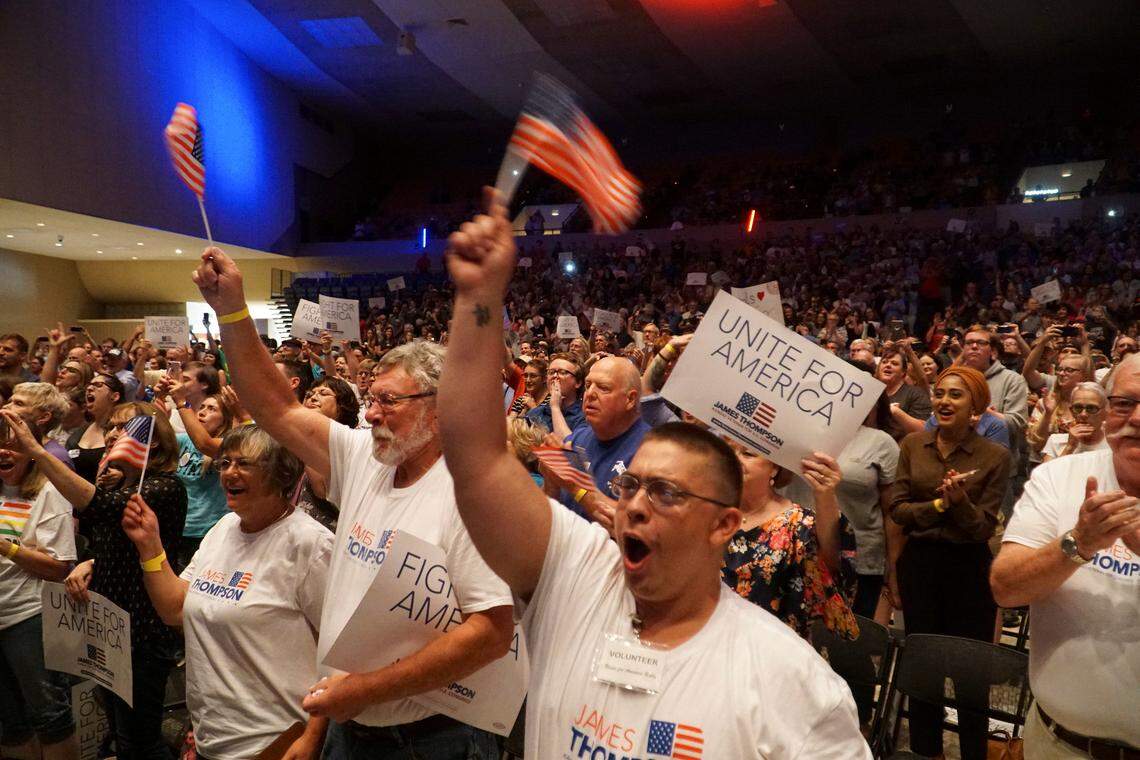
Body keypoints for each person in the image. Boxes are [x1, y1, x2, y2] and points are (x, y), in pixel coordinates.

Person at [436, 189, 869, 758]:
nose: (635, 504)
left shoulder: (792, 682)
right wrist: (478, 299)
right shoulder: (576, 575)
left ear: (724, 525)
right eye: (631, 484)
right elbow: (476, 455)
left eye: (666, 492)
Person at [192, 248, 513, 759]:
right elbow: (276, 407)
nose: (371, 413)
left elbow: (492, 633)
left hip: (430, 737)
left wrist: (367, 689)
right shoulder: (366, 456)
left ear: (439, 409)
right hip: (349, 720)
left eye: (389, 401)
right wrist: (231, 310)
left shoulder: (473, 495)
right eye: (370, 397)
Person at [120, 426, 333, 760]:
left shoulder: (309, 544)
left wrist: (313, 736)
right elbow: (175, 608)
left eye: (245, 464)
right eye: (226, 463)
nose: (230, 473)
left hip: (276, 741)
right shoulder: (223, 528)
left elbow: (339, 654)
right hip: (211, 737)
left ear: (280, 472)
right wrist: (150, 546)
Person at [3, 403, 187, 760]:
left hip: (143, 630)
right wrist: (92, 562)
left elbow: (98, 507)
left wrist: (38, 452)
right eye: (111, 428)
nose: (114, 436)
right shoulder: (125, 483)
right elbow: (115, 543)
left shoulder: (164, 487)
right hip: (107, 625)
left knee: (140, 740)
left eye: (126, 429)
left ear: (155, 440)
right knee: (118, 730)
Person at [990, 353, 1140, 758]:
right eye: (1125, 403)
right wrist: (1078, 544)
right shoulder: (1059, 476)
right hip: (1058, 743)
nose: (1137, 418)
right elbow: (1006, 589)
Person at [888, 366, 1011, 760]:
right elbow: (898, 510)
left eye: (955, 395)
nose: (944, 401)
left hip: (968, 571)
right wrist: (942, 504)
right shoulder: (912, 445)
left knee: (969, 673)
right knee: (924, 671)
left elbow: (980, 529)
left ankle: (974, 753)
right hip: (920, 566)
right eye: (940, 393)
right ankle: (928, 753)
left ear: (976, 407)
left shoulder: (995, 456)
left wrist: (960, 505)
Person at [0, 417, 79, 760]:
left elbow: (60, 568)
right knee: (9, 722)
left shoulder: (49, 491)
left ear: (31, 450)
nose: (3, 452)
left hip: (28, 618)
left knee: (50, 717)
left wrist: (8, 548)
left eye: (12, 445)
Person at [724, 445, 858, 640]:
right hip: (709, 644)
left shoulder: (799, 522)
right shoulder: (709, 512)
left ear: (775, 468)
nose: (734, 458)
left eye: (748, 453)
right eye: (728, 450)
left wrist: (825, 493)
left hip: (775, 648)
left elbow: (832, 565)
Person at [545, 356, 650, 527]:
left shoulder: (650, 451)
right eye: (588, 385)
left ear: (630, 399)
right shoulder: (576, 438)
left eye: (603, 388)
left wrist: (575, 481)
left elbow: (630, 525)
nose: (590, 394)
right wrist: (551, 482)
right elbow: (549, 515)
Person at [66, 373, 124, 484]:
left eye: (98, 385)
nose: (89, 388)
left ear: (115, 396)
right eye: (89, 385)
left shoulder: (122, 432)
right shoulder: (81, 431)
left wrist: (123, 475)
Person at [4, 383, 75, 470]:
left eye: (19, 403)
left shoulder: (56, 456)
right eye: (10, 401)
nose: (5, 407)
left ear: (43, 417)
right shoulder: (7, 445)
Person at [1041, 382, 1110, 461]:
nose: (1083, 414)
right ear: (1071, 411)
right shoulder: (1056, 442)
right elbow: (1048, 473)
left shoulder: (1115, 444)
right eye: (1078, 408)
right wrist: (1069, 447)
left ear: (1105, 412)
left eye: (1091, 408)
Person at [525, 354, 585, 433]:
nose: (555, 376)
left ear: (578, 382)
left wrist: (555, 407)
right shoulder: (534, 413)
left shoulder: (585, 416)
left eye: (562, 372)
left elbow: (571, 444)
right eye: (551, 372)